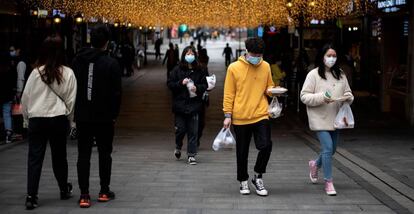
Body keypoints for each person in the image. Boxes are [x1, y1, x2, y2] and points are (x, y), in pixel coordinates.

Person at [21, 35, 77, 210]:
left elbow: (26, 98)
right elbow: (71, 101)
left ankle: (31, 196)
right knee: (59, 157)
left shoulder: (35, 73)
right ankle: (63, 189)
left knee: (34, 158)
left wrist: (26, 120)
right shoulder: (68, 73)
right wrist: (71, 121)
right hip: (58, 119)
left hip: (37, 119)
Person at [71, 24, 122, 208]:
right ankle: (103, 190)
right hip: (105, 117)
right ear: (107, 43)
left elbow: (73, 88)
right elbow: (117, 93)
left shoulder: (78, 61)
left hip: (83, 116)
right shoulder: (111, 63)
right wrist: (114, 114)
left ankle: (84, 195)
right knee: (104, 153)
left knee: (83, 154)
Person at [223, 38, 274, 196]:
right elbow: (229, 93)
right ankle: (243, 181)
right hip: (240, 116)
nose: (257, 57)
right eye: (254, 54)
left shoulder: (265, 66)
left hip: (261, 114)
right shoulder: (234, 68)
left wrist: (274, 91)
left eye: (259, 55)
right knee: (242, 151)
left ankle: (258, 176)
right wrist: (227, 114)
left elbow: (269, 87)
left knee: (266, 145)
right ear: (246, 51)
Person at [300, 44, 354, 196]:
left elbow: (348, 92)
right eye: (329, 55)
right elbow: (304, 96)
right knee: (328, 148)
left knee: (332, 149)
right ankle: (328, 182)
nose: (332, 59)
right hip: (319, 118)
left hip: (336, 118)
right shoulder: (313, 74)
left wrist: (348, 98)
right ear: (322, 56)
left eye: (334, 56)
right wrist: (322, 97)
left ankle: (315, 164)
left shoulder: (341, 74)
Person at [167, 46, 208, 165]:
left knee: (193, 131)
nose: (190, 56)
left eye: (192, 54)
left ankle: (191, 154)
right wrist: (181, 82)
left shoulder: (200, 70)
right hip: (180, 106)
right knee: (180, 129)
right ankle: (178, 145)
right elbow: (170, 84)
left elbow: (205, 85)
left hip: (194, 106)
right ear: (184, 55)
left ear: (195, 55)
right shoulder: (177, 70)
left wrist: (198, 88)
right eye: (187, 53)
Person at [0, 54, 17, 144]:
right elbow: (13, 84)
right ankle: (8, 134)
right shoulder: (11, 70)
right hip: (8, 96)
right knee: (7, 114)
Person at [196, 48, 210, 147]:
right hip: (195, 98)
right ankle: (195, 138)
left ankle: (196, 138)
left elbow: (207, 84)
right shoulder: (195, 68)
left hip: (200, 97)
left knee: (200, 121)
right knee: (200, 121)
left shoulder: (203, 69)